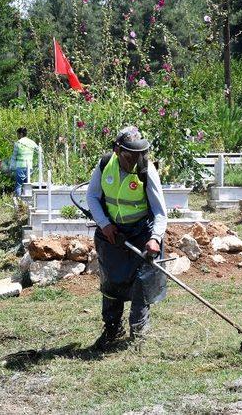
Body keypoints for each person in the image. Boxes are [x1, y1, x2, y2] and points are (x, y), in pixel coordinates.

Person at [86, 126, 168, 349]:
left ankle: (139, 331)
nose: (134, 160)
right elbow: (92, 197)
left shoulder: (146, 170)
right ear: (116, 150)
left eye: (139, 154)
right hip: (112, 235)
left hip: (141, 233)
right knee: (111, 283)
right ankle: (112, 329)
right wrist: (105, 225)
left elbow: (160, 211)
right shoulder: (105, 165)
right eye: (128, 155)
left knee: (142, 283)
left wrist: (155, 238)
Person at [10, 127, 39, 197]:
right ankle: (27, 200)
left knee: (19, 185)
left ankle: (19, 201)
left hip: (20, 166)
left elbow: (14, 156)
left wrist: (11, 166)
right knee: (27, 184)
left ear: (21, 134)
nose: (17, 136)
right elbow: (40, 151)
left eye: (17, 134)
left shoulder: (18, 143)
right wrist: (38, 163)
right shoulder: (32, 142)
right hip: (29, 167)